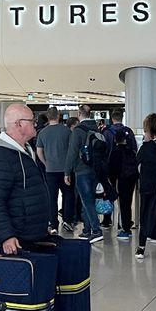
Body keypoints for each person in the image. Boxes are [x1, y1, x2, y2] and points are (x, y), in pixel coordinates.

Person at [0, 104, 52, 254]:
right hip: (17, 239)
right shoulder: (1, 157)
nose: (35, 124)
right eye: (31, 120)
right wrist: (6, 235)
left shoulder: (25, 150)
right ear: (19, 124)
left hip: (31, 234)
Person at [65, 104, 105, 244]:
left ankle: (96, 230)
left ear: (79, 114)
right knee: (89, 200)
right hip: (96, 170)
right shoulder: (97, 128)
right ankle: (87, 229)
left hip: (82, 170)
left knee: (87, 201)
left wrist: (67, 171)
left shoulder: (78, 131)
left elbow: (72, 152)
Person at [136, 114, 156, 261]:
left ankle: (141, 247)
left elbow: (137, 164)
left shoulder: (146, 147)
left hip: (147, 187)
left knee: (145, 215)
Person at [35, 108, 72, 233]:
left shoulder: (43, 133)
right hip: (66, 170)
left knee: (52, 197)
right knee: (68, 195)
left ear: (47, 117)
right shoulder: (67, 131)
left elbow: (39, 151)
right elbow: (72, 150)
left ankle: (53, 224)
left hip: (50, 170)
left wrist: (45, 163)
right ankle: (67, 220)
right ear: (59, 116)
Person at [108, 127, 139, 241]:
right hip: (131, 179)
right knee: (128, 202)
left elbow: (112, 170)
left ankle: (125, 228)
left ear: (115, 140)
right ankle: (128, 224)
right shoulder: (131, 151)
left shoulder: (115, 152)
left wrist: (111, 183)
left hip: (121, 180)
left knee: (123, 204)